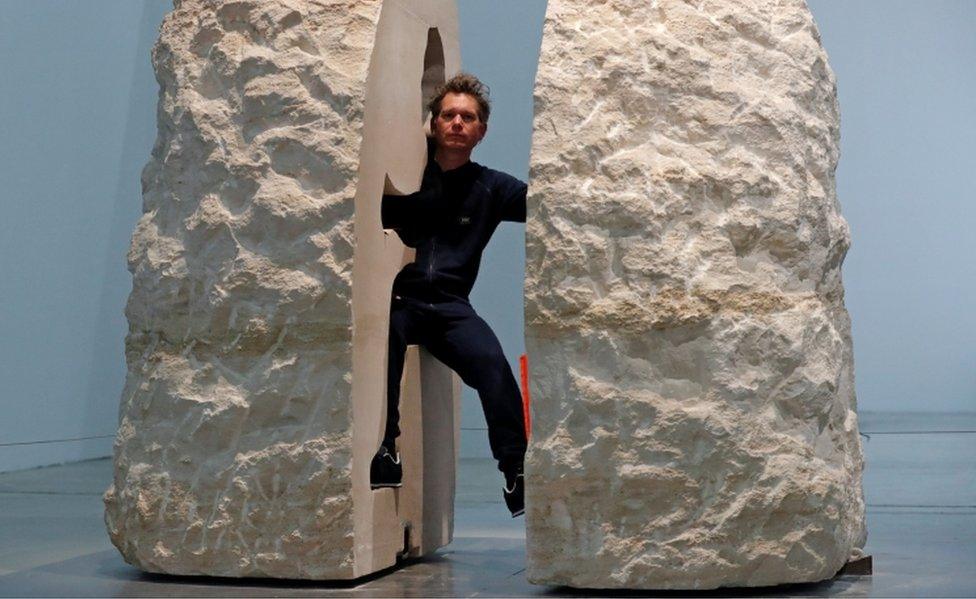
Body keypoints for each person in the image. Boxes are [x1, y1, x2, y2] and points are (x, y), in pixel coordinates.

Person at [371, 73, 527, 518]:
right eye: (449, 115)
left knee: (493, 366)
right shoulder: (406, 178)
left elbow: (552, 202)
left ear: (481, 131)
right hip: (403, 298)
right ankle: (386, 448)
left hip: (452, 307)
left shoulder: (492, 188)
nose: (458, 122)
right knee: (384, 347)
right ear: (434, 124)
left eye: (468, 117)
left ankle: (515, 470)